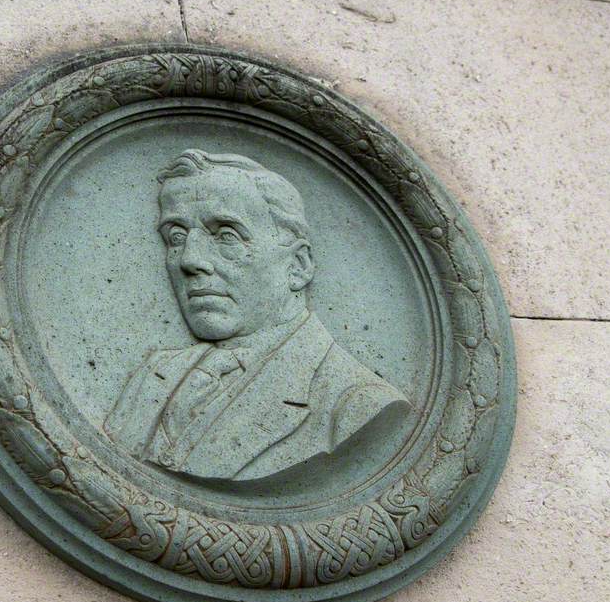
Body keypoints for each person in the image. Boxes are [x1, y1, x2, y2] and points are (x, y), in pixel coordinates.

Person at [103, 149, 410, 483]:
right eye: (176, 236)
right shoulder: (155, 374)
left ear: (298, 266)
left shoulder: (355, 404)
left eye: (226, 235)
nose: (189, 260)